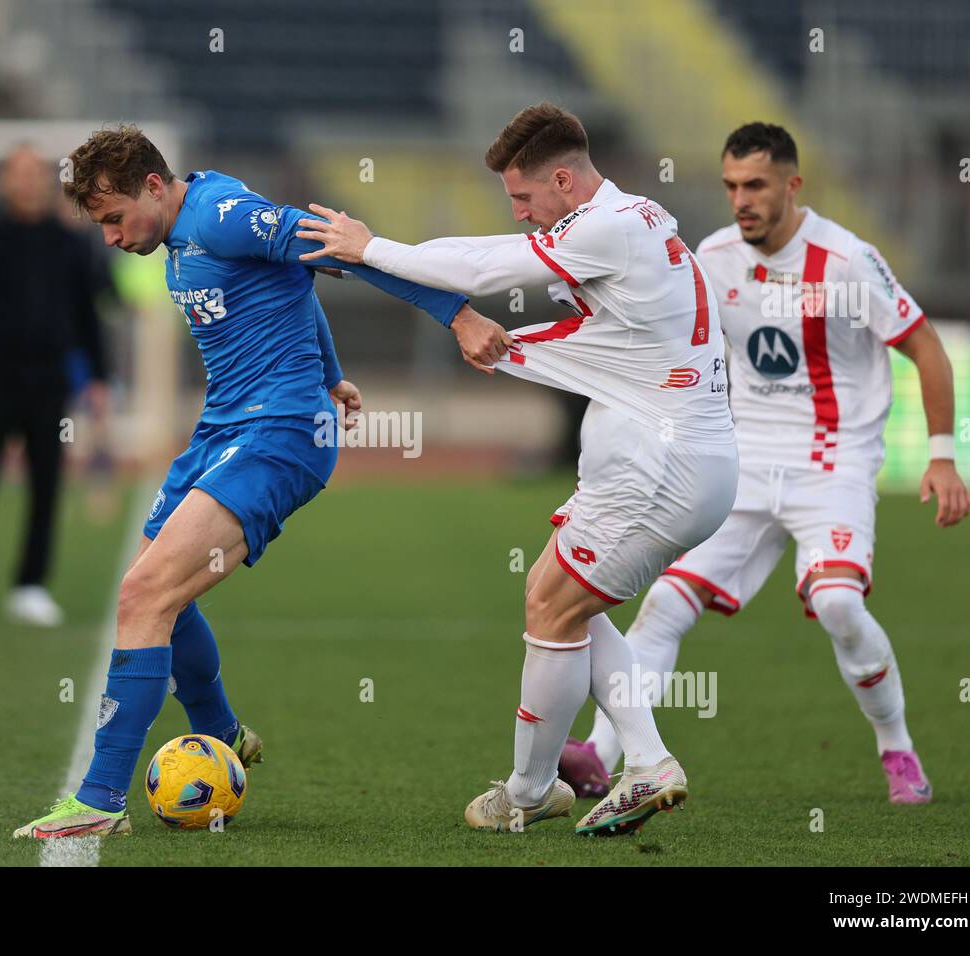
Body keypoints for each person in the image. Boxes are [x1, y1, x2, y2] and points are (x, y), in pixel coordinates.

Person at [14, 125, 486, 838]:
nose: (109, 237)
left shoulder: (223, 216)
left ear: (152, 185)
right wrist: (332, 373)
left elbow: (339, 251)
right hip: (223, 430)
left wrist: (458, 314)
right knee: (151, 586)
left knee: (145, 595)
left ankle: (100, 800)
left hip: (280, 434)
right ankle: (220, 733)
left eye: (113, 218)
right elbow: (294, 281)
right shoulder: (182, 234)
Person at [297, 102, 738, 837]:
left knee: (552, 610)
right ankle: (647, 760)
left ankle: (528, 793)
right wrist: (510, 340)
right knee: (559, 598)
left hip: (662, 466)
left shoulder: (605, 226)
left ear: (564, 180)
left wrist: (371, 247)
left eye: (525, 198)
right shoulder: (637, 215)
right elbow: (598, 325)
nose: (522, 214)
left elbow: (481, 264)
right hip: (681, 459)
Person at [561, 123, 970, 805]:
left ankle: (897, 748)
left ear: (792, 184)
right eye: (730, 186)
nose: (740, 199)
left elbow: (925, 345)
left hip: (830, 465)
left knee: (838, 603)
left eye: (755, 185)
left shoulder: (846, 261)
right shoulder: (714, 258)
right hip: (742, 465)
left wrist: (943, 456)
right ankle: (601, 755)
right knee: (662, 603)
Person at [0, 144, 110, 628]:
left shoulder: (70, 242)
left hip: (49, 382)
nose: (27, 182)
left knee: (47, 486)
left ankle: (30, 586)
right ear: (3, 182)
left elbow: (86, 315)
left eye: (35, 174)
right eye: (18, 173)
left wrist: (97, 377)